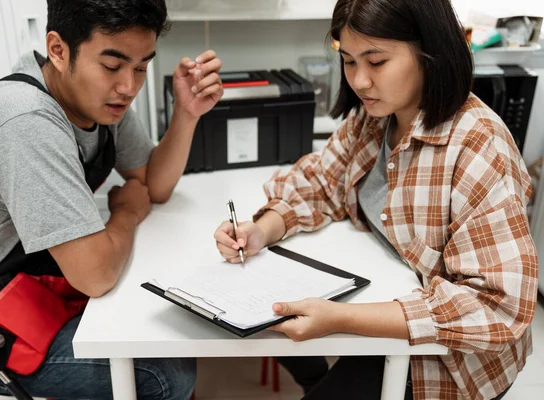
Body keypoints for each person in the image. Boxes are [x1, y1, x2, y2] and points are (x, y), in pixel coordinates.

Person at [214, 0, 537, 399]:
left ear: (429, 52)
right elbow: (321, 182)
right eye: (348, 62)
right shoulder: (375, 116)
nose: (359, 81)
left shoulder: (478, 144)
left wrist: (343, 318)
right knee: (267, 315)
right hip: (381, 305)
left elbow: (496, 306)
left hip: (447, 363)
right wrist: (261, 230)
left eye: (376, 62)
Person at [0, 0, 223, 398]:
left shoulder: (95, 97)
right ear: (58, 50)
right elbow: (95, 274)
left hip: (36, 282)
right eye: (112, 66)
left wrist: (187, 112)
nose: (129, 86)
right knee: (165, 374)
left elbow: (151, 184)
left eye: (141, 66)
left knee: (174, 322)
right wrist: (124, 213)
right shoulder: (25, 122)